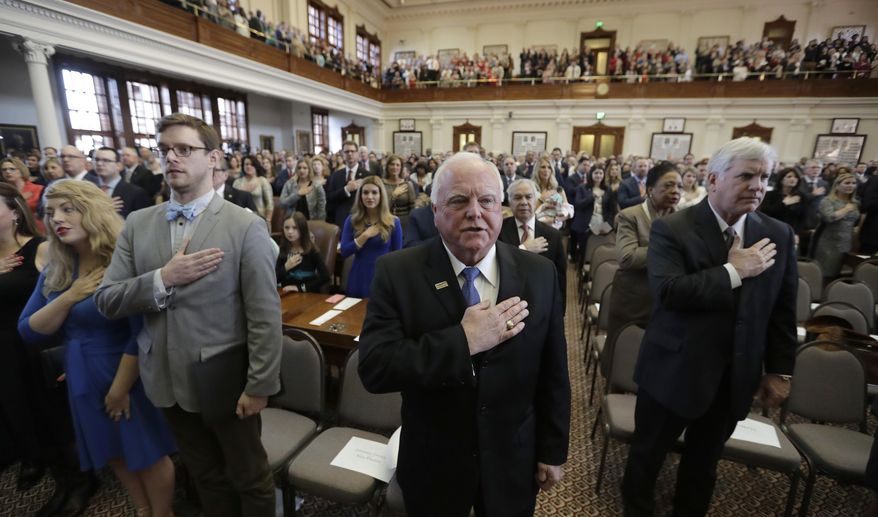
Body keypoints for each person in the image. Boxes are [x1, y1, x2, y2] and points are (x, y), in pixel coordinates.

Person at [358, 152, 570, 516]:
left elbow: (554, 371)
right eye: (459, 200)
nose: (475, 211)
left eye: (486, 200)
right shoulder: (398, 272)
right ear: (436, 212)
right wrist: (463, 342)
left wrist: (552, 450)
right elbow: (376, 367)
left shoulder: (539, 273)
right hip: (433, 462)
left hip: (512, 459)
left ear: (499, 209)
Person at [94, 113, 281, 517]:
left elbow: (264, 315)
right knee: (205, 476)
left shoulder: (245, 226)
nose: (172, 158)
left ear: (213, 158)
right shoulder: (137, 225)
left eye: (185, 149)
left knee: (250, 478)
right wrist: (161, 279)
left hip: (225, 379)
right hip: (164, 376)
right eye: (165, 150)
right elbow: (107, 299)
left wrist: (260, 384)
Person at [621, 137, 797, 517]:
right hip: (673, 370)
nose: (757, 186)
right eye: (746, 175)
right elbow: (669, 293)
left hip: (734, 376)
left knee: (704, 466)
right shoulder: (674, 228)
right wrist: (735, 271)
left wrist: (779, 370)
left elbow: (782, 310)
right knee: (646, 460)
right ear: (713, 179)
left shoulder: (777, 234)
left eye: (764, 177)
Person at [18, 180, 177, 517]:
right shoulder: (58, 268)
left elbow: (141, 332)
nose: (57, 218)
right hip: (81, 374)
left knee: (147, 453)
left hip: (125, 372)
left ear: (92, 212)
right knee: (113, 451)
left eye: (67, 209)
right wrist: (71, 295)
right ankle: (142, 510)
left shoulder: (123, 260)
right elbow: (28, 330)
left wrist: (120, 390)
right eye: (50, 212)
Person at [0, 183, 51, 493]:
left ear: (15, 213)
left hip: (31, 340)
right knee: (11, 404)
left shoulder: (39, 247)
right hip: (1, 343)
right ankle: (31, 457)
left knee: (40, 404)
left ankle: (63, 465)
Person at [606, 163, 681, 341]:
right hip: (634, 301)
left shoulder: (682, 219)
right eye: (668, 185)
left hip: (668, 301)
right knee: (623, 357)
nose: (675, 191)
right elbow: (628, 257)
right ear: (650, 190)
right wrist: (669, 249)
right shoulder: (631, 216)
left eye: (679, 186)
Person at [499, 178, 567, 307]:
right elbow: (497, 266)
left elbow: (560, 279)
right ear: (510, 202)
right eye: (517, 198)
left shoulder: (553, 235)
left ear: (536, 201)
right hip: (508, 305)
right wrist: (523, 249)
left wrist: (560, 311)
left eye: (528, 197)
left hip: (542, 305)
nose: (524, 202)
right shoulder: (498, 231)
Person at [339, 176, 402, 298]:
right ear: (360, 196)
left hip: (383, 278)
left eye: (374, 192)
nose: (370, 197)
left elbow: (397, 257)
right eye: (365, 192)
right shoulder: (352, 220)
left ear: (381, 195)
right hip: (359, 277)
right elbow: (344, 252)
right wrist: (365, 235)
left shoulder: (393, 222)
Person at [810, 173, 861, 279]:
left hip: (847, 242)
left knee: (840, 275)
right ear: (837, 185)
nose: (851, 185)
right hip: (828, 243)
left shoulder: (855, 202)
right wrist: (846, 209)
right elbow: (829, 217)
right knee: (825, 273)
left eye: (853, 183)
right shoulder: (828, 201)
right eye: (847, 183)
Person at [570, 168, 618, 265]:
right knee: (585, 252)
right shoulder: (582, 188)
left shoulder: (607, 189)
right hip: (585, 224)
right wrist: (592, 196)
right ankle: (581, 271)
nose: (598, 175)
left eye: (601, 173)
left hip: (602, 224)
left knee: (599, 251)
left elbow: (612, 210)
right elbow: (578, 205)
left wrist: (608, 226)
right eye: (596, 173)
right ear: (591, 174)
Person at [276, 211, 330, 293]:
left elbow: (325, 277)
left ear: (302, 229)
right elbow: (275, 279)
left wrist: (300, 288)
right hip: (287, 295)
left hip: (308, 294)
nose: (290, 232)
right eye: (286, 228)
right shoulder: (284, 249)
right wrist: (286, 267)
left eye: (295, 228)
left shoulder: (311, 250)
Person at [327, 140, 374, 227]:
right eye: (347, 151)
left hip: (362, 219)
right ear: (343, 155)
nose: (350, 154)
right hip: (341, 221)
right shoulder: (336, 175)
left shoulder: (367, 175)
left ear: (357, 154)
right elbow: (329, 198)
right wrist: (346, 189)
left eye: (352, 151)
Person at [93, 147, 151, 218]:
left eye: (106, 160)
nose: (99, 163)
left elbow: (144, 221)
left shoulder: (135, 192)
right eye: (96, 160)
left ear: (118, 165)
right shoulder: (88, 190)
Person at [759, 168, 808, 235]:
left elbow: (803, 218)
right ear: (781, 180)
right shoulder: (769, 195)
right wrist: (784, 204)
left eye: (796, 177)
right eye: (789, 176)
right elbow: (766, 214)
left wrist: (796, 233)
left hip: (791, 232)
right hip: (771, 230)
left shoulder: (801, 196)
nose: (793, 179)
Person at [1, 157, 44, 224]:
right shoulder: (2, 192)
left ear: (21, 170)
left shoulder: (38, 189)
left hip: (36, 227)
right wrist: (20, 198)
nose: (7, 172)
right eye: (4, 170)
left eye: (12, 169)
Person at [234, 155, 274, 222]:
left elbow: (270, 203)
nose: (249, 166)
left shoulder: (262, 181)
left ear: (256, 166)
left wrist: (268, 220)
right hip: (241, 218)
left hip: (260, 217)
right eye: (246, 164)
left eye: (252, 164)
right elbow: (233, 202)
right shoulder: (237, 182)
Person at [383, 154, 416, 220]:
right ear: (387, 166)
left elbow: (412, 208)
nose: (395, 167)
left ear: (401, 168)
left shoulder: (408, 184)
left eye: (398, 165)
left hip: (404, 221)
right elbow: (381, 208)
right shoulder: (381, 184)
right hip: (386, 219)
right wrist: (394, 195)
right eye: (392, 164)